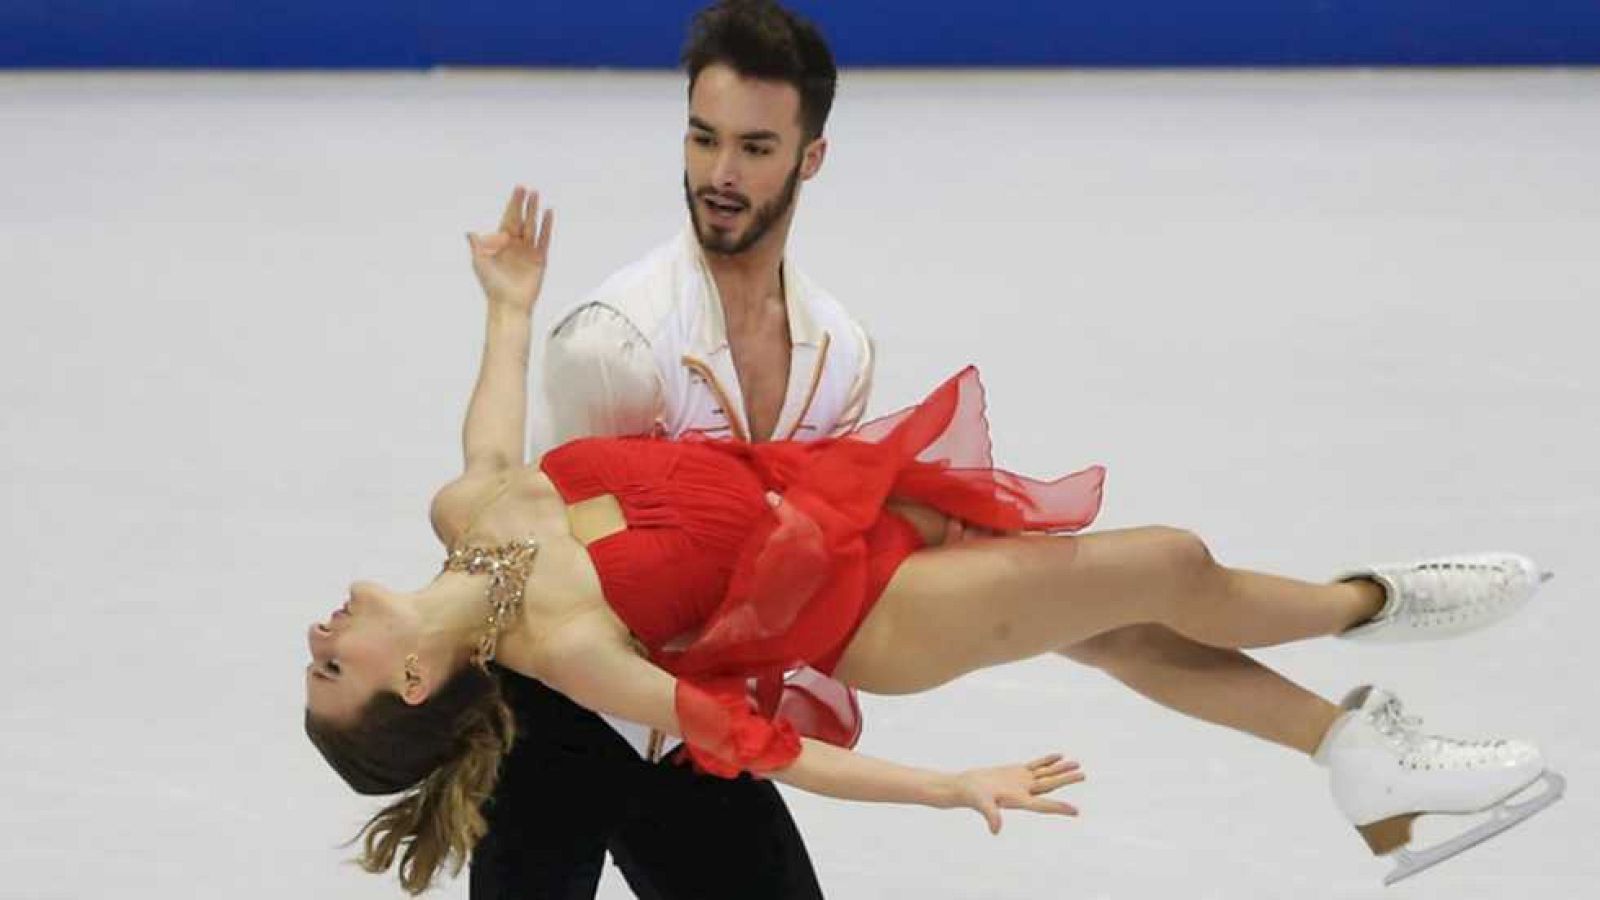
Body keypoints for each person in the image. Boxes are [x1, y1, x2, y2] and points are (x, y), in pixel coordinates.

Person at [305, 186, 1563, 895]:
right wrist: (949, 788)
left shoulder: (466, 521)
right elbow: (765, 748)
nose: (318, 634)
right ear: (413, 682)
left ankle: (1362, 759)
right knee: (1165, 567)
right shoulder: (566, 642)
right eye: (331, 668)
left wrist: (510, 303)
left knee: (1128, 625)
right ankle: (1374, 606)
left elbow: (487, 438)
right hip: (869, 616)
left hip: (834, 505)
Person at [472, 3, 867, 897]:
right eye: (702, 138)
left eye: (756, 149)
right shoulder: (613, 346)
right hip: (559, 723)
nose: (720, 175)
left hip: (694, 732)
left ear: (811, 158)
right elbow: (557, 572)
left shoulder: (841, 354)